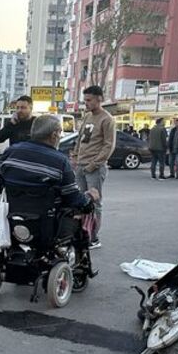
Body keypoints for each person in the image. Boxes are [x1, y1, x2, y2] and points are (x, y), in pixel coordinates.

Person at [0, 115, 98, 243]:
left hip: (12, 221)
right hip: (46, 226)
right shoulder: (60, 161)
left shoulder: (10, 152)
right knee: (80, 217)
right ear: (54, 134)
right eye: (59, 132)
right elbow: (73, 197)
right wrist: (89, 198)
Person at [71, 85, 115, 249]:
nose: (86, 104)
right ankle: (82, 234)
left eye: (89, 100)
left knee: (94, 204)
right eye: (85, 100)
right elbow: (80, 139)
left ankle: (93, 238)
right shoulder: (87, 117)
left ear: (99, 99)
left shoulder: (107, 119)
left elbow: (108, 146)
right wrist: (75, 157)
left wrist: (92, 165)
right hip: (80, 166)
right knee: (81, 202)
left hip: (94, 168)